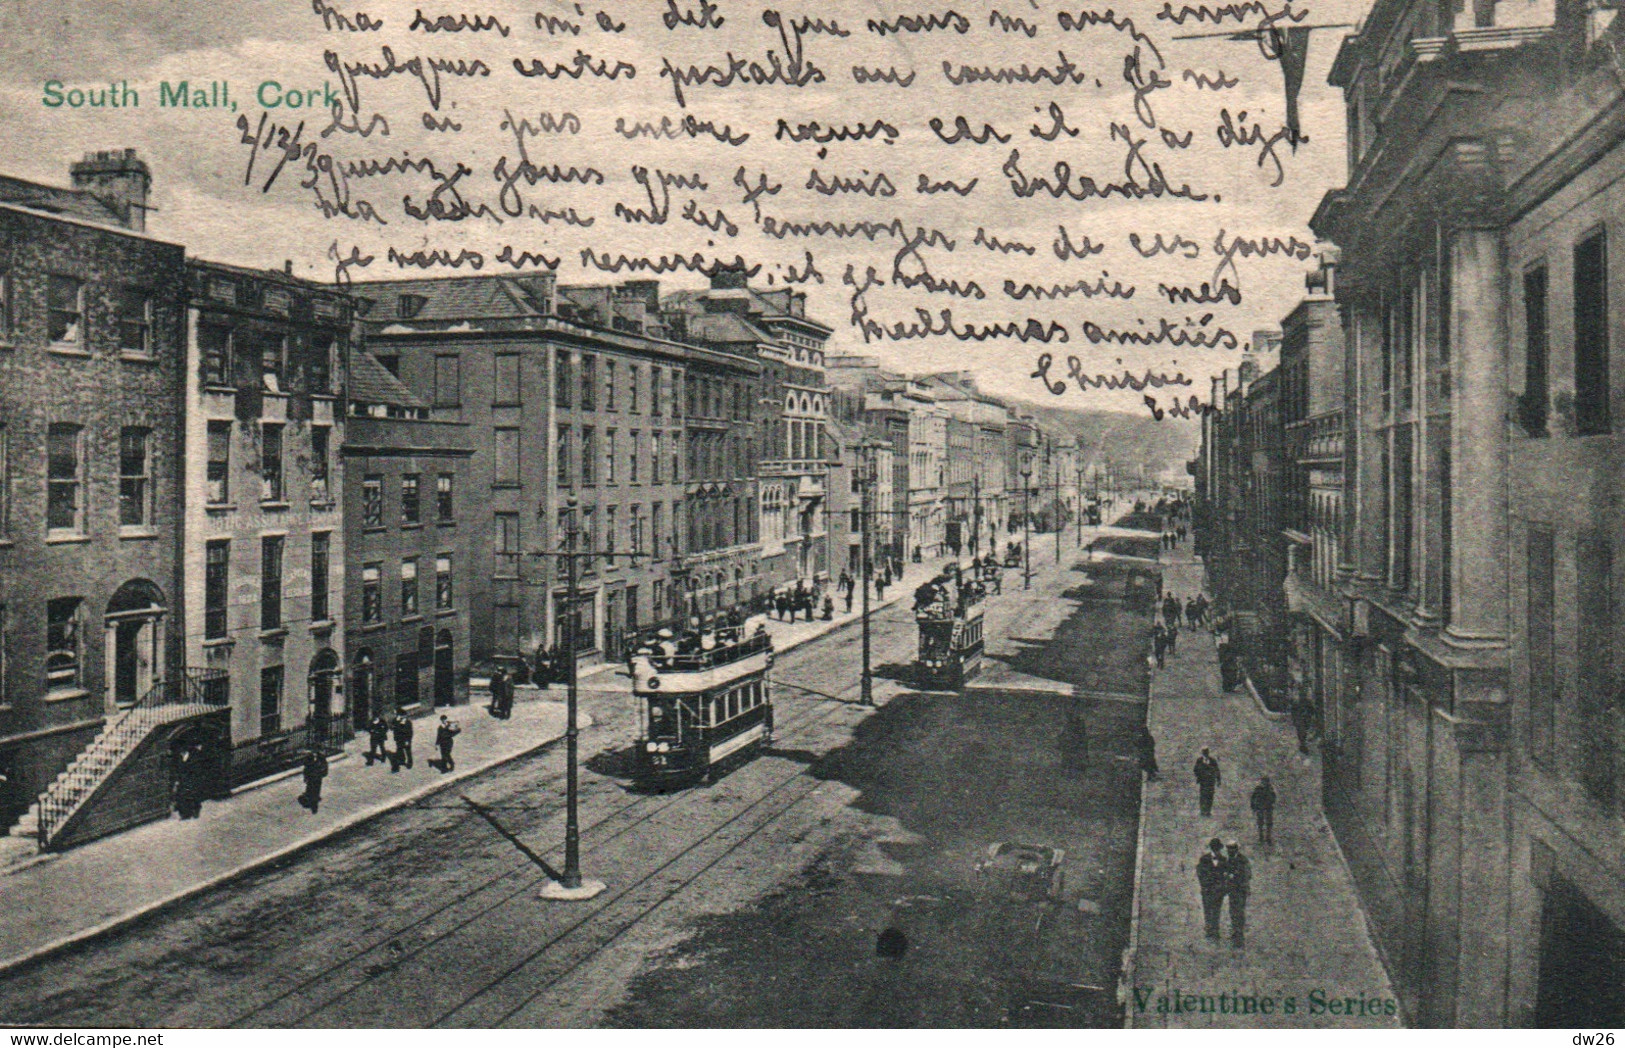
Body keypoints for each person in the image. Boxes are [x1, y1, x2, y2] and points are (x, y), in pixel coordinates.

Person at [1196, 837, 1228, 942]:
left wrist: (1223, 887)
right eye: (1215, 849)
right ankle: (1209, 929)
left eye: (1218, 849)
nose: (1216, 851)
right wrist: (1204, 885)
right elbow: (1200, 873)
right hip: (1207, 890)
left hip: (1218, 891)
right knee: (1208, 909)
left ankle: (1215, 929)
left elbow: (1226, 875)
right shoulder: (1204, 859)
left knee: (1216, 910)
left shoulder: (1223, 860)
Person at [1225, 841, 1251, 947]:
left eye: (1231, 849)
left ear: (1236, 849)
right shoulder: (1229, 859)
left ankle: (1239, 932)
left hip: (1241, 889)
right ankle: (1235, 930)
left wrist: (1235, 875)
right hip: (1232, 890)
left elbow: (1248, 874)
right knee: (1232, 910)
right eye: (1228, 849)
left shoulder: (1243, 860)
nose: (1229, 851)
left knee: (1239, 910)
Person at [1194, 747, 1221, 816]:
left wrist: (1218, 780)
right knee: (1203, 796)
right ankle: (1203, 811)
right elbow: (1195, 769)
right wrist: (1199, 776)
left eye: (1206, 752)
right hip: (1203, 782)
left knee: (1210, 796)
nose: (1205, 754)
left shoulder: (1212, 761)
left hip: (1211, 782)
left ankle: (1208, 811)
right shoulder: (1199, 760)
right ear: (1202, 753)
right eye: (1204, 752)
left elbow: (1217, 770)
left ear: (1208, 753)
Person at [1250, 776, 1277, 845]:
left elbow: (1273, 797)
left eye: (1266, 782)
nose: (1264, 783)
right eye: (1263, 782)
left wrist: (1271, 802)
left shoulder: (1270, 789)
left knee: (1268, 823)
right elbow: (1253, 798)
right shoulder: (1258, 789)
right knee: (1260, 823)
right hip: (1260, 808)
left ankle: (1268, 838)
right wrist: (1253, 806)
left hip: (1268, 808)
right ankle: (1261, 837)